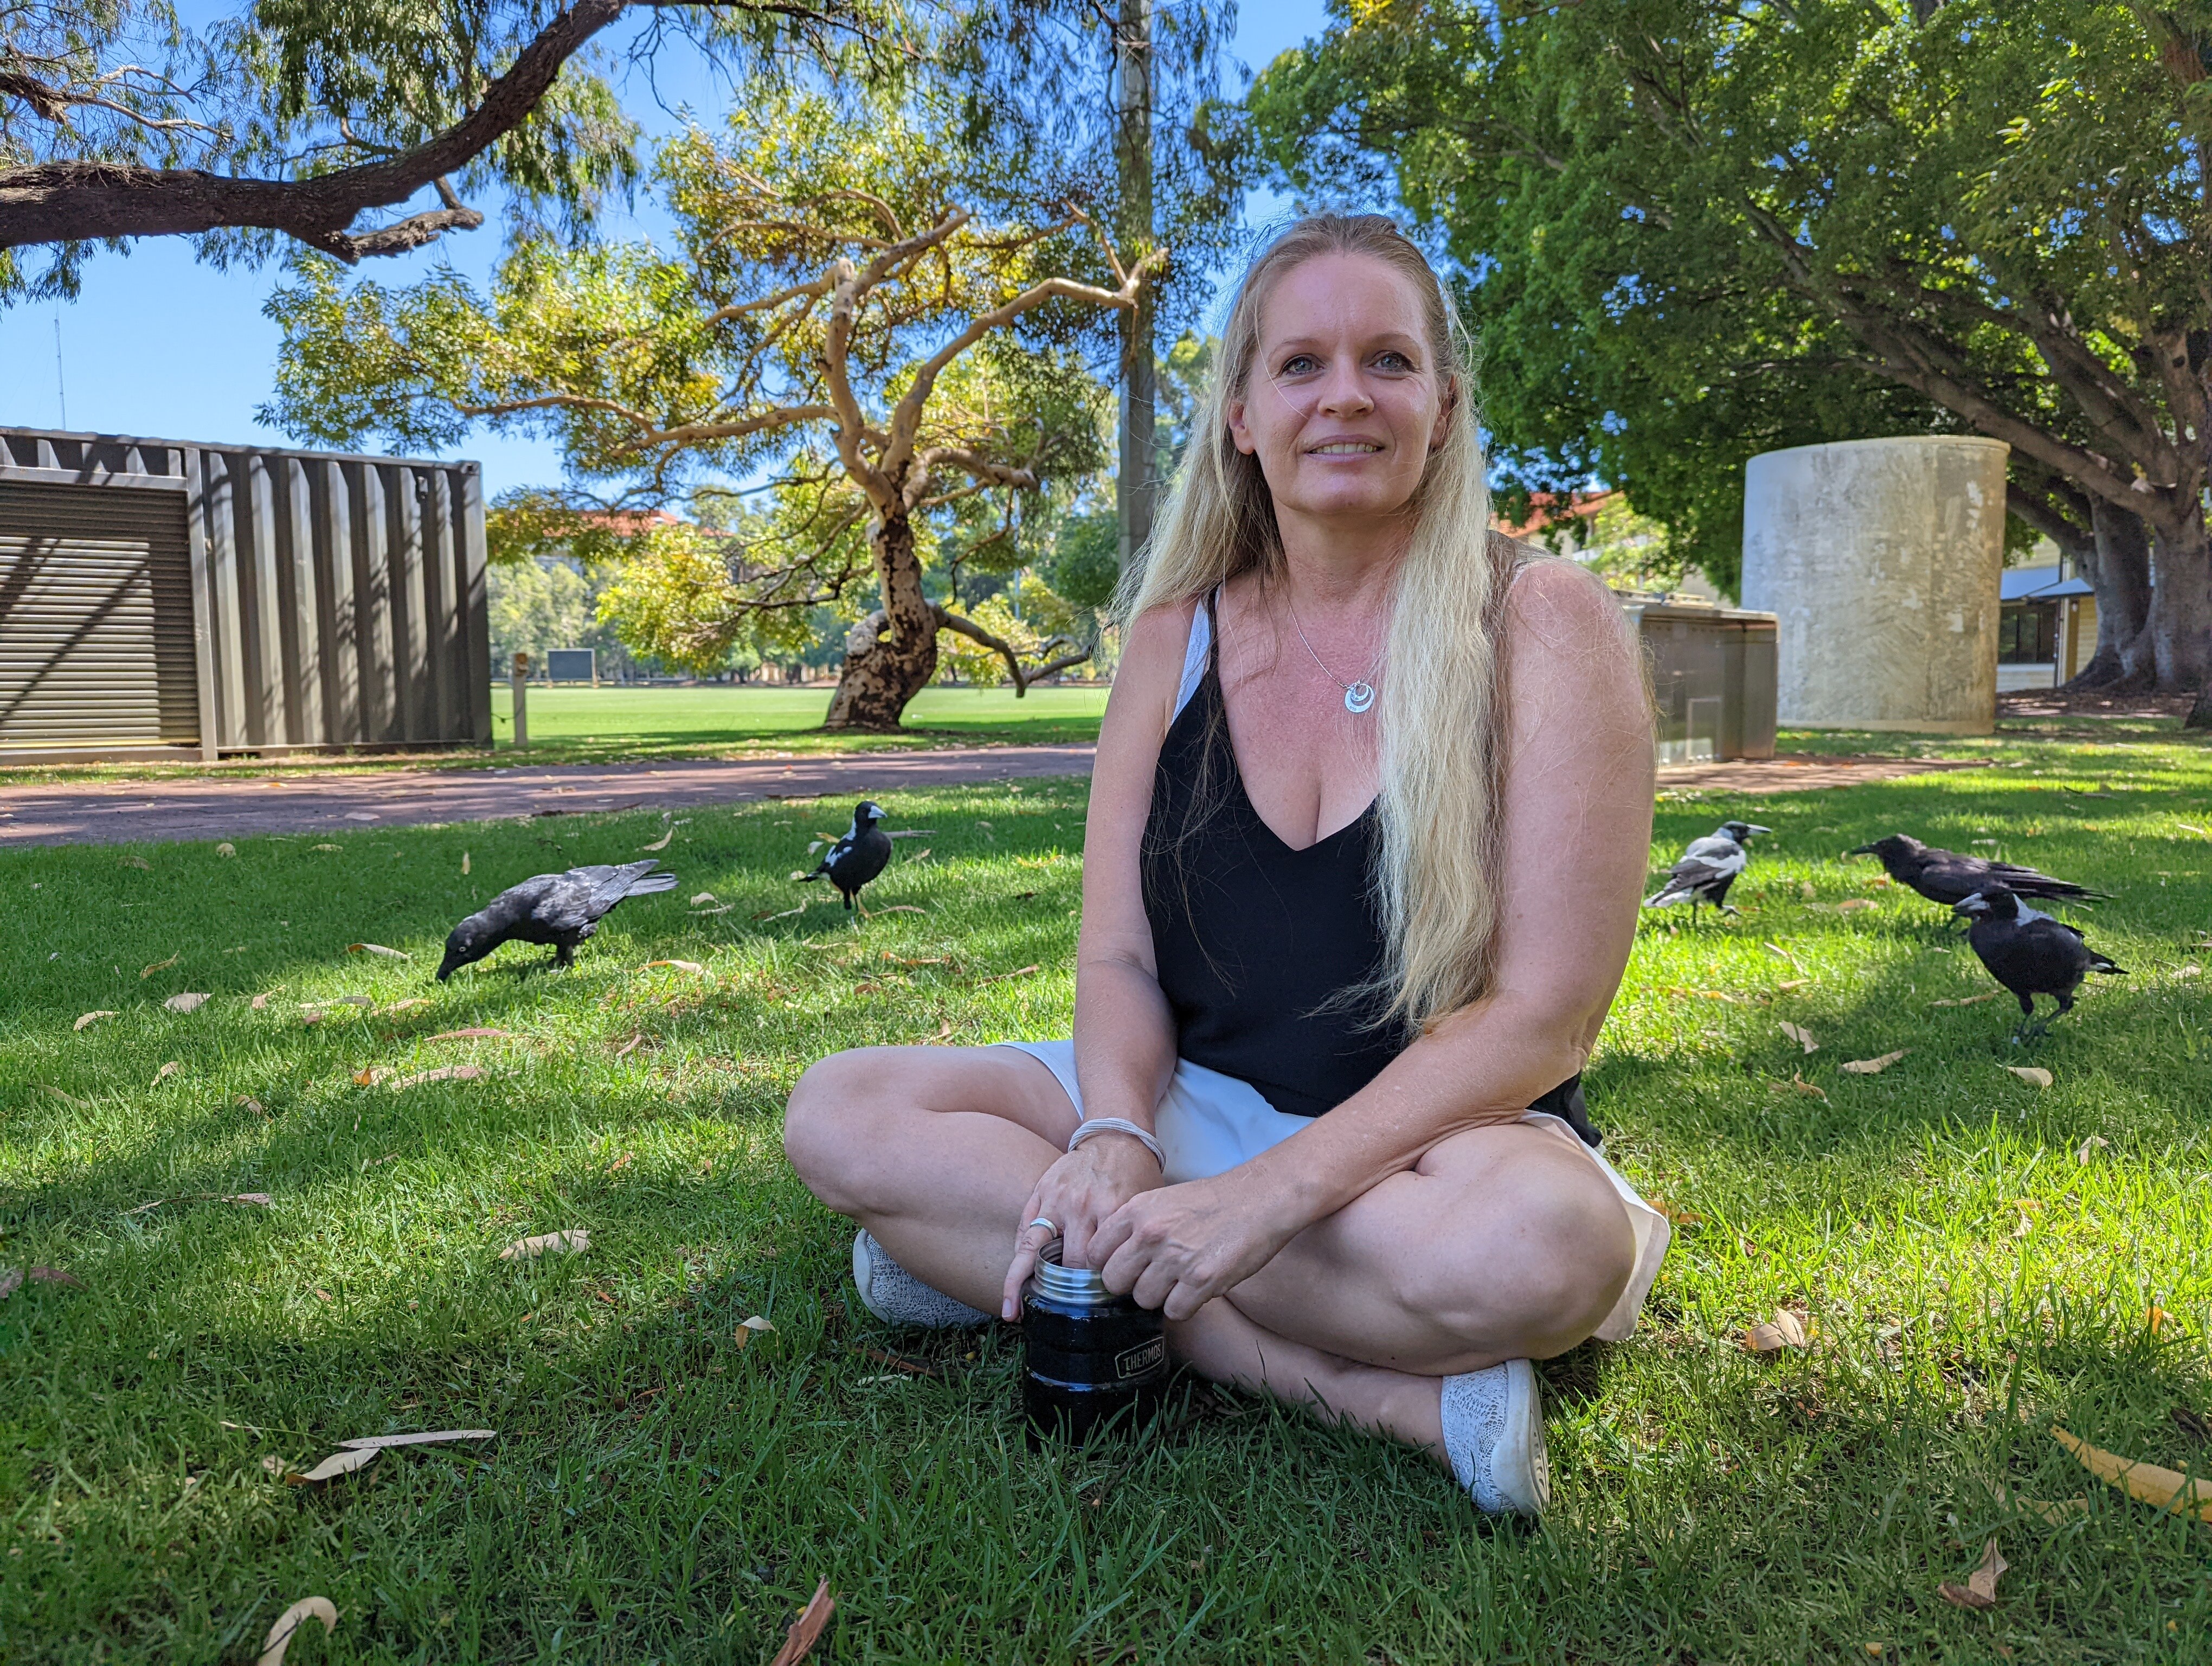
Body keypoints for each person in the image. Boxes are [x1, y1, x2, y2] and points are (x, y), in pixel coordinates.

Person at [784, 213, 1667, 1515]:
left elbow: (1547, 1015)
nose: (1346, 397)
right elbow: (1119, 952)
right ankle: (1385, 1396)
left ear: (1444, 404)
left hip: (1431, 1153)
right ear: (1243, 414)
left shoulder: (1542, 622)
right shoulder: (1174, 634)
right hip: (1189, 1099)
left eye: (1389, 361)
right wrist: (1117, 1134)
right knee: (841, 1112)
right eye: (1301, 365)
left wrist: (1266, 1200)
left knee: (1552, 1252)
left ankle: (1021, 1269)